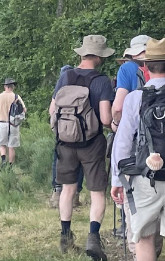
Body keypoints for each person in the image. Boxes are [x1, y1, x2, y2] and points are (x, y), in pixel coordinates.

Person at [111, 38, 165, 261]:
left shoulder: (134, 99)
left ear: (145, 68)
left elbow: (122, 143)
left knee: (144, 239)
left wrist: (117, 180)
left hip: (143, 179)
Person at [49, 35, 116, 260]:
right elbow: (106, 118)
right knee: (96, 192)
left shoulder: (65, 76)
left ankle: (65, 235)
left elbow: (52, 109)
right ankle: (93, 237)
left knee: (67, 190)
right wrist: (114, 126)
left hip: (65, 143)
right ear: (98, 56)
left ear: (82, 53)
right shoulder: (102, 81)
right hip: (92, 144)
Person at [112, 35, 165, 128]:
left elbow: (118, 108)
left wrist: (115, 124)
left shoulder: (126, 68)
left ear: (133, 53)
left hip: (140, 130)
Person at [50, 64, 84, 209]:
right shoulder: (83, 89)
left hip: (63, 131)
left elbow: (51, 110)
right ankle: (75, 195)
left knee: (58, 158)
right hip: (81, 131)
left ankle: (57, 192)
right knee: (81, 160)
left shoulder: (60, 90)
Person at [0, 78, 26, 169]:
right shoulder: (16, 97)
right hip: (14, 124)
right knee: (11, 146)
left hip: (2, 123)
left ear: (5, 86)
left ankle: (3, 161)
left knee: (2, 144)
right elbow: (24, 109)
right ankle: (10, 166)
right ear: (13, 87)